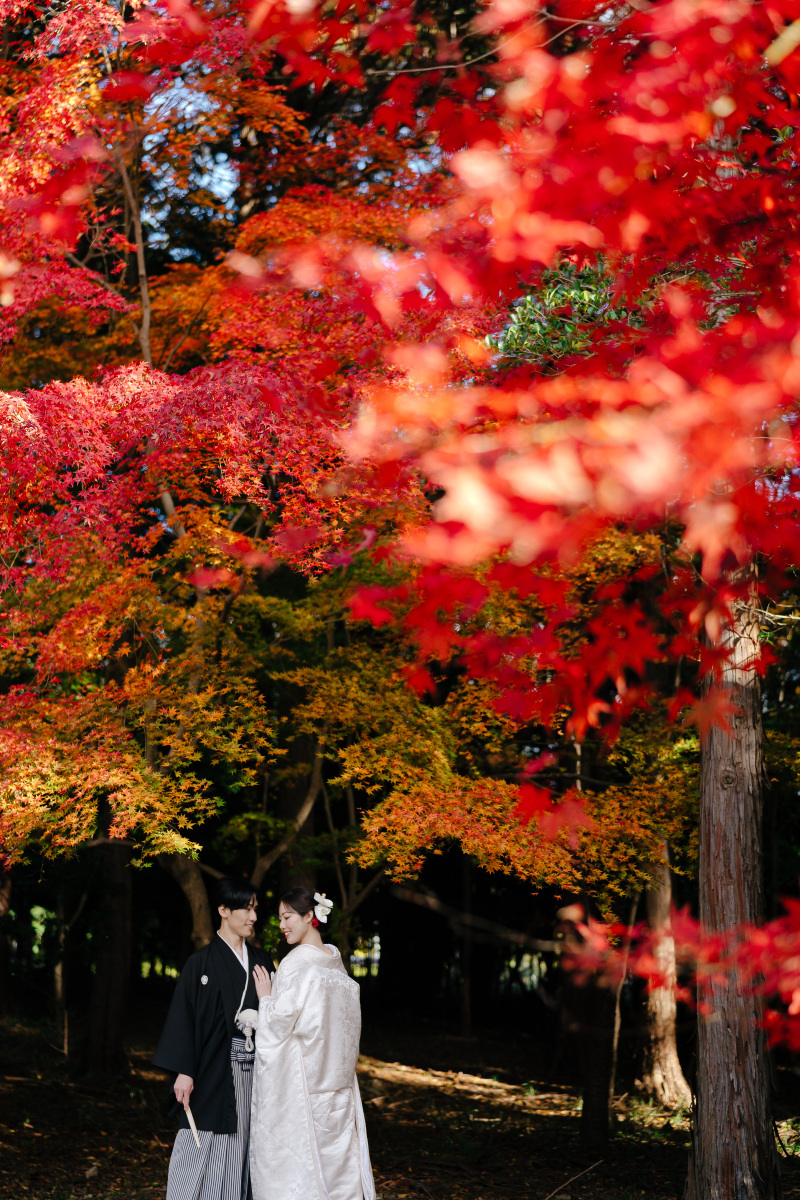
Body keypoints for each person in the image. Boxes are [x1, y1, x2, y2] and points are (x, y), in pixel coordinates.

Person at [249, 886, 375, 1200]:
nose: (282, 925)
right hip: (339, 1084)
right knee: (339, 1166)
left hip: (305, 1083)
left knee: (307, 1167)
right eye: (280, 918)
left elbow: (277, 1028)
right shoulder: (334, 960)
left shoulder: (296, 963)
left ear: (310, 916)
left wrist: (265, 999)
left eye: (288, 916)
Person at [153, 878, 274, 1200]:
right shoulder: (200, 963)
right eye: (246, 909)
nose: (253, 917)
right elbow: (184, 1018)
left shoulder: (261, 961)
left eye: (255, 910)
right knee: (204, 1138)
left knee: (248, 1140)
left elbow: (278, 1018)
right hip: (212, 1068)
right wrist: (184, 1070)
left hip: (258, 1071)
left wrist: (270, 1002)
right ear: (223, 910)